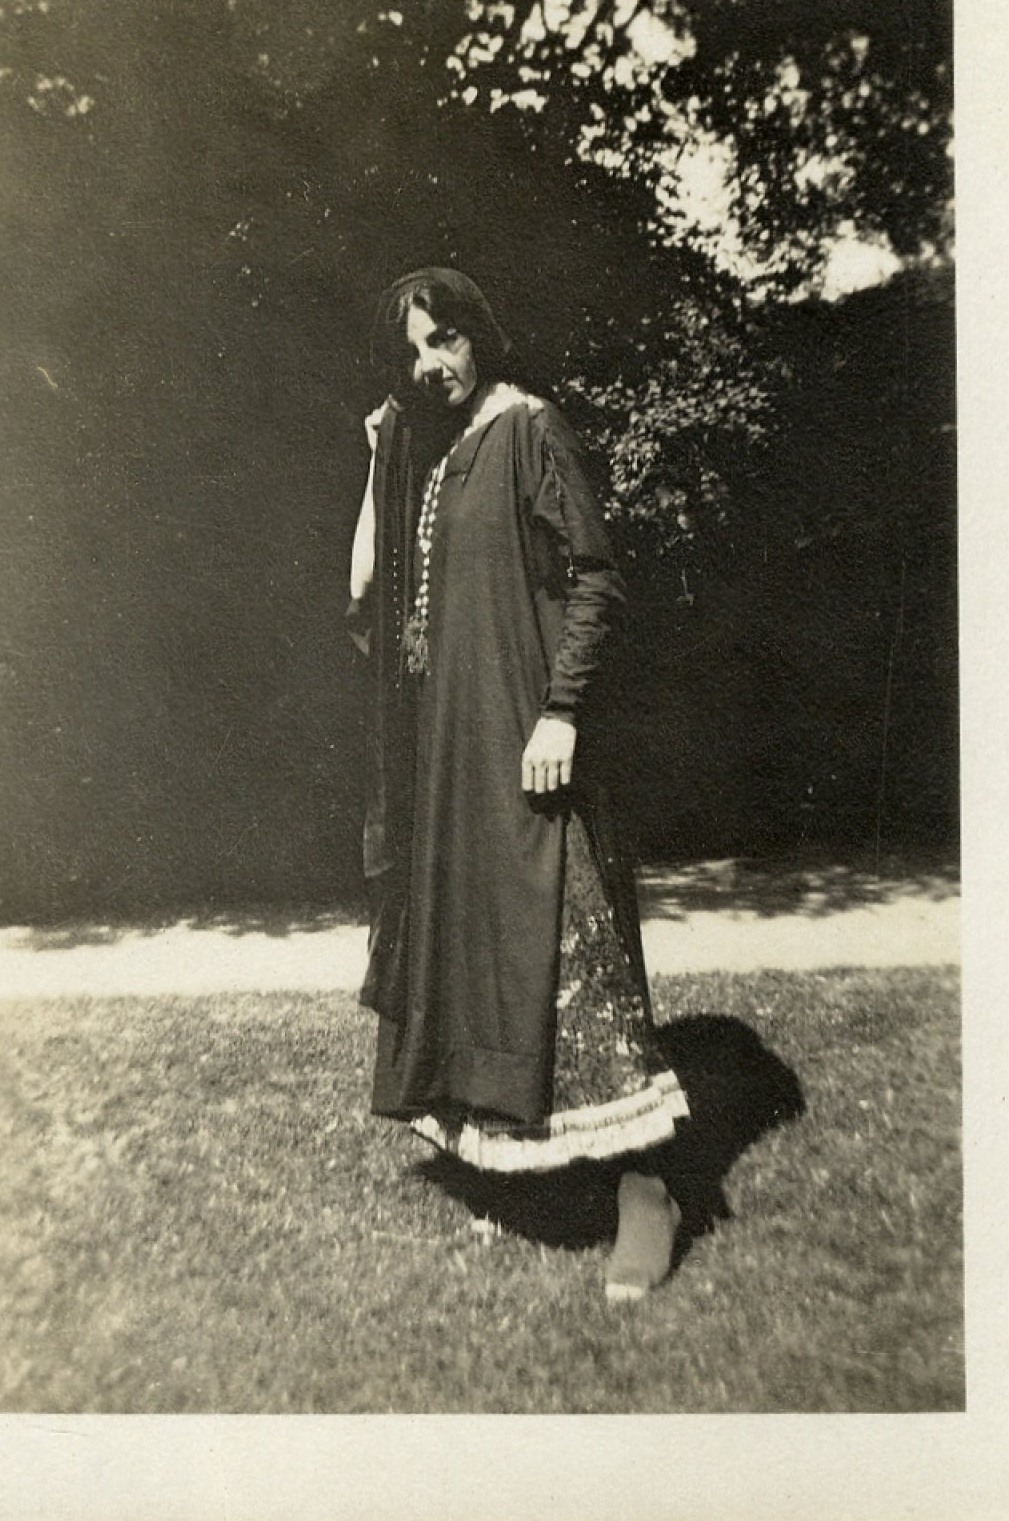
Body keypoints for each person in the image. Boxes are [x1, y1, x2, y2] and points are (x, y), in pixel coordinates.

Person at [347, 266, 689, 1302]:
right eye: (412, 351)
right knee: (483, 946)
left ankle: (649, 1188)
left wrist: (562, 711)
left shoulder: (531, 427)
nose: (429, 365)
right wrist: (374, 465)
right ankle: (518, 1157)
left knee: (573, 939)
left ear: (480, 335)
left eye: (443, 340)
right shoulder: (425, 452)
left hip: (527, 736)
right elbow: (363, 587)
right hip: (450, 746)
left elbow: (596, 576)